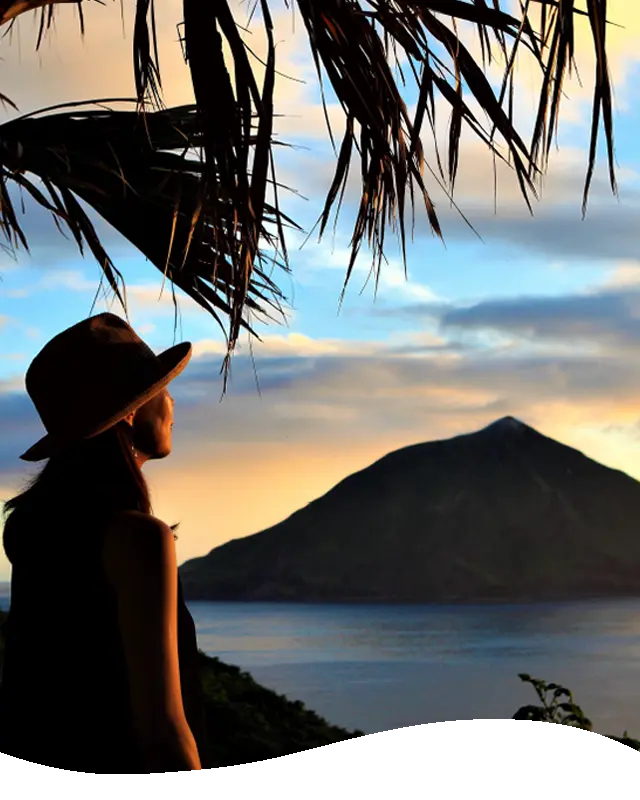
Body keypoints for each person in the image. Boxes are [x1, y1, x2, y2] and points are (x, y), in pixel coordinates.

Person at [0, 313, 210, 775]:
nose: (173, 404)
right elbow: (163, 733)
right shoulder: (137, 539)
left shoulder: (30, 530)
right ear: (132, 409)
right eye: (163, 389)